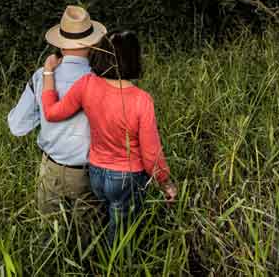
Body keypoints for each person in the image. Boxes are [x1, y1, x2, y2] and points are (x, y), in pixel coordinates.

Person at [41, 30, 177, 244]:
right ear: (134, 58)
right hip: (126, 177)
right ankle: (114, 267)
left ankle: (96, 259)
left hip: (95, 174)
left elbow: (51, 113)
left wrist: (48, 73)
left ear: (102, 55)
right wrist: (165, 183)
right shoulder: (141, 100)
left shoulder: (87, 84)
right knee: (122, 239)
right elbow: (151, 153)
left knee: (104, 222)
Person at [7, 5, 108, 216]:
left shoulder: (41, 77)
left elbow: (17, 126)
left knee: (51, 241)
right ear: (92, 43)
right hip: (90, 174)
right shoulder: (103, 81)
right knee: (90, 242)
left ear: (61, 45)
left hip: (51, 171)